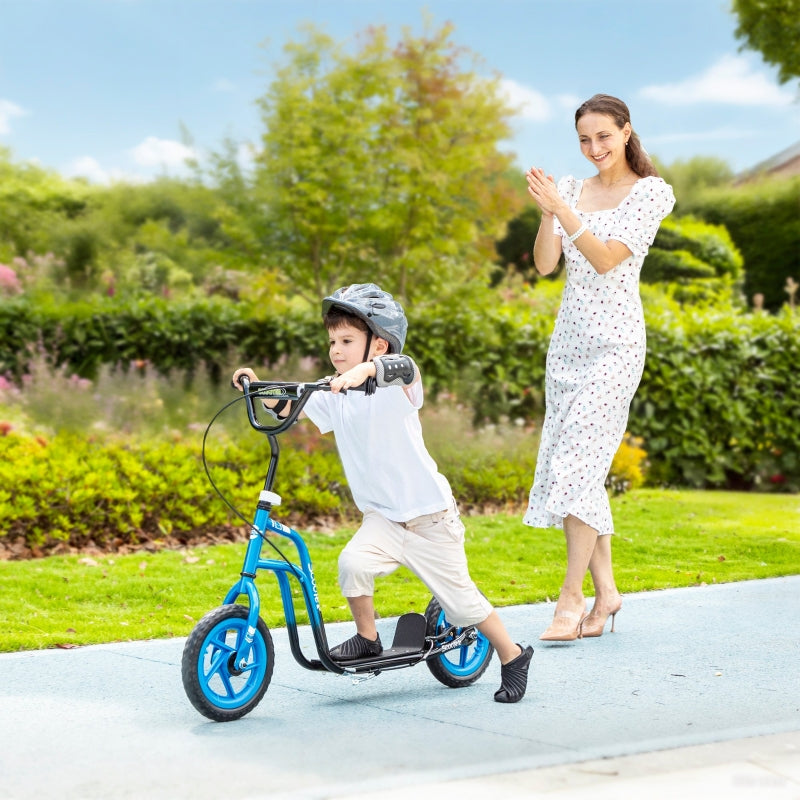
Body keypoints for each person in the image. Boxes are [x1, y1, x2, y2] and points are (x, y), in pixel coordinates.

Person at [233, 283, 533, 702]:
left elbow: (406, 369)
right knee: (352, 564)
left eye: (347, 341)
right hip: (383, 519)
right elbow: (290, 406)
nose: (336, 351)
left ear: (379, 344)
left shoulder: (399, 389)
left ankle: (512, 655)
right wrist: (257, 387)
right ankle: (367, 638)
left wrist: (367, 371)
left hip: (430, 519)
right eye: (332, 342)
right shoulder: (337, 394)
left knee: (463, 606)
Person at [523, 94, 676, 642]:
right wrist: (549, 211)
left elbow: (607, 259)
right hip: (568, 346)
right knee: (577, 467)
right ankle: (607, 592)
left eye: (604, 136)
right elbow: (546, 265)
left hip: (616, 345)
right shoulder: (570, 190)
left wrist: (563, 210)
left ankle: (572, 596)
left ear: (627, 132)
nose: (594, 148)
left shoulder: (651, 193)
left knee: (575, 465)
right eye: (584, 139)